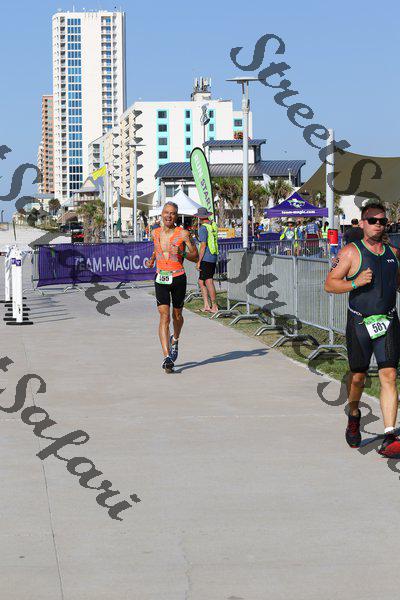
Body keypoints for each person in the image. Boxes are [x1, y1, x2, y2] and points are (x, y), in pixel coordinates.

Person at [324, 202, 400, 457]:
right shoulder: (350, 252)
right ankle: (354, 414)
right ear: (363, 222)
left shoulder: (394, 253)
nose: (378, 225)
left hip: (388, 321)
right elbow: (330, 284)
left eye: (382, 221)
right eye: (372, 220)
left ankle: (390, 435)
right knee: (358, 376)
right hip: (359, 323)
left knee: (389, 374)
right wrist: (355, 282)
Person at [146, 202, 198, 373]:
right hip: (161, 277)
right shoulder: (155, 233)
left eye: (173, 213)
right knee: (164, 316)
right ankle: (167, 357)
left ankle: (175, 339)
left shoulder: (183, 234)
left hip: (178, 277)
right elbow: (156, 249)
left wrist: (182, 253)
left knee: (177, 316)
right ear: (161, 214)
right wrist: (152, 260)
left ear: (176, 216)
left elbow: (195, 255)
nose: (169, 216)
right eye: (166, 212)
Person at [194, 207, 219, 314]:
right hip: (213, 255)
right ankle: (206, 305)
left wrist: (199, 261)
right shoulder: (212, 225)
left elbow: (203, 246)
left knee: (208, 281)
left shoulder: (203, 228)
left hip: (206, 257)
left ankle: (214, 306)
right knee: (201, 281)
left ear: (199, 217)